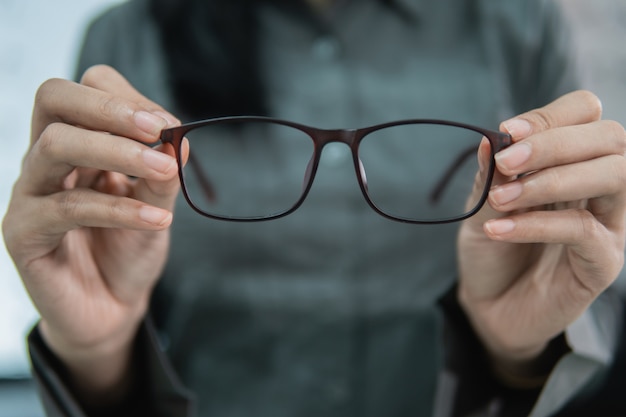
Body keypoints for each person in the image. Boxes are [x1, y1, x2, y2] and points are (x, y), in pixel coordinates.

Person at [3, 0, 626, 416]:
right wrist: (96, 352)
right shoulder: (126, 38)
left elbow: (562, 286)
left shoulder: (515, 25)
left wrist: (514, 354)